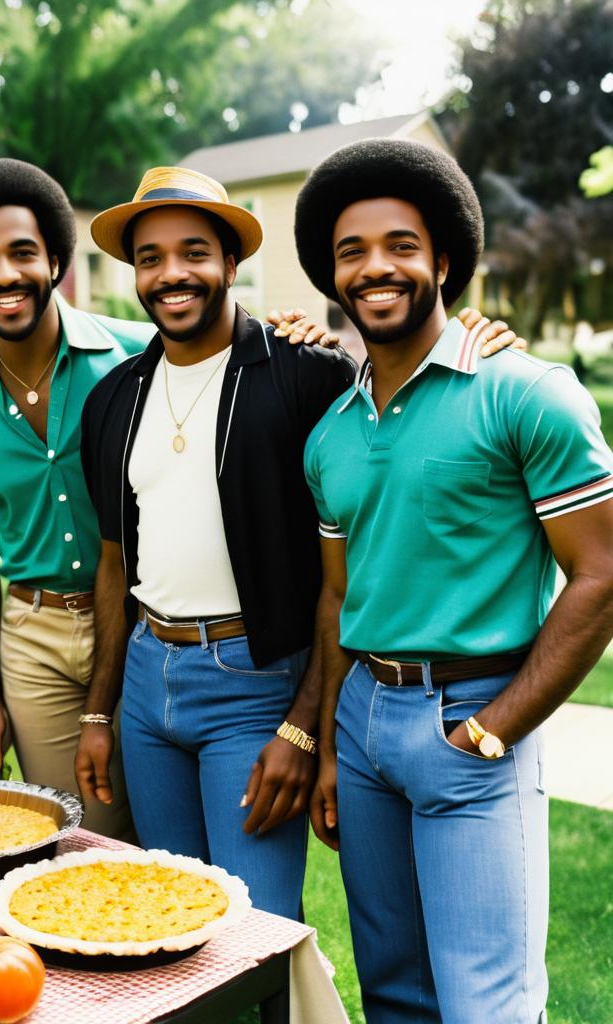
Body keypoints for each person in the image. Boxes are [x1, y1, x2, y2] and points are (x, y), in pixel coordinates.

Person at [297, 139, 613, 1023]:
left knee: (489, 1006)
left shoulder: (526, 395)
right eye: (351, 252)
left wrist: (491, 732)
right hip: (361, 726)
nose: (375, 267)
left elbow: (602, 576)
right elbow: (336, 596)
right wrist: (328, 744)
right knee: (395, 993)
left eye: (400, 244)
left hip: (474, 720)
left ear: (443, 260)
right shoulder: (332, 431)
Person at [76, 166, 355, 916]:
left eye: (194, 252)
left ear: (231, 264)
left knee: (257, 926)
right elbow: (113, 565)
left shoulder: (307, 375)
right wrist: (100, 712)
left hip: (254, 683)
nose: (173, 274)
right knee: (173, 915)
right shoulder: (112, 399)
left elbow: (348, 571)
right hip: (146, 681)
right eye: (150, 258)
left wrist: (302, 727)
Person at [0, 160, 150, 838]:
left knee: (171, 839)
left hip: (144, 629)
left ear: (55, 259)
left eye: (22, 253)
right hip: (35, 642)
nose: (4, 276)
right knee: (82, 839)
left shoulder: (139, 359)